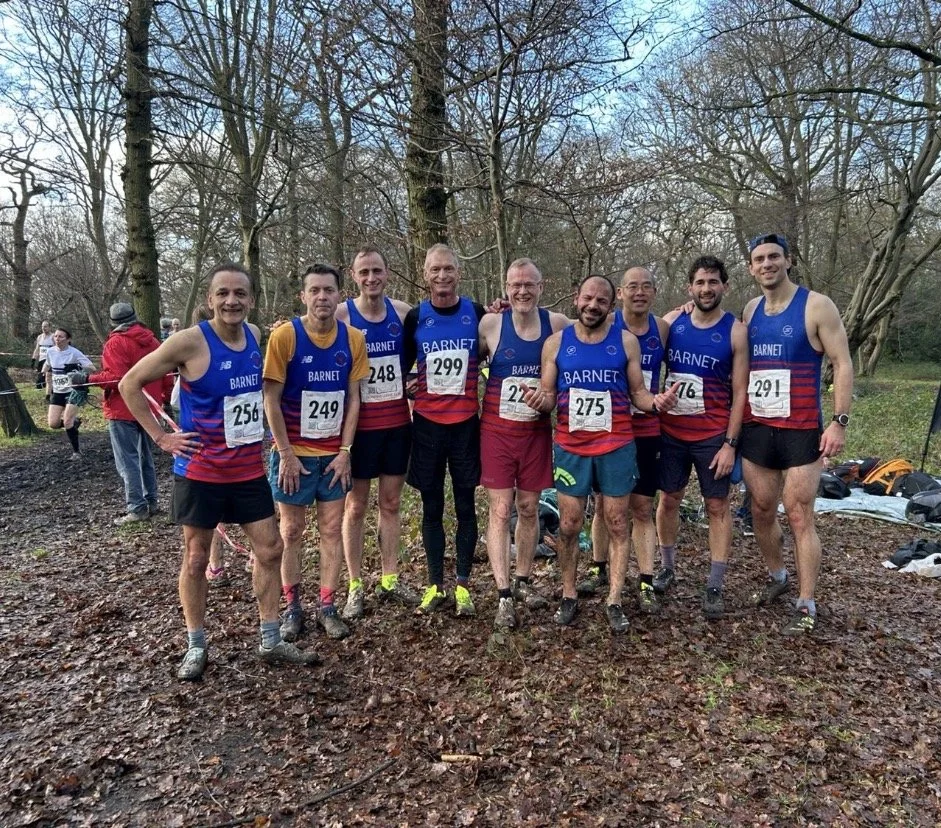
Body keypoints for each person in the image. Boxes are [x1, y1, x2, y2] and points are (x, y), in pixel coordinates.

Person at [119, 262, 319, 680]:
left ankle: (270, 638)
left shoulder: (255, 335)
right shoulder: (188, 342)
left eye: (240, 293)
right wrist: (161, 438)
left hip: (246, 470)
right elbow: (129, 384)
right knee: (196, 558)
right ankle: (196, 644)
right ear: (209, 299)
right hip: (201, 471)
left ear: (251, 299)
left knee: (270, 549)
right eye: (223, 293)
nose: (232, 301)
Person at [522, 275, 677, 633]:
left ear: (611, 305)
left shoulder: (625, 341)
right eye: (588, 298)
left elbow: (638, 393)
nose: (593, 306)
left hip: (616, 446)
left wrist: (657, 402)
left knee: (618, 521)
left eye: (601, 301)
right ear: (576, 298)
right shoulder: (556, 343)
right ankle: (568, 593)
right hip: (572, 448)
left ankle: (615, 599)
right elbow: (548, 395)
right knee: (568, 524)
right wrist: (538, 401)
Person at [741, 233, 853, 635]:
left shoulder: (817, 305)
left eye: (774, 257)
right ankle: (778, 576)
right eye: (759, 259)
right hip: (758, 427)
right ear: (751, 268)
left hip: (802, 429)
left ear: (788, 261)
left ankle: (806, 602)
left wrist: (839, 421)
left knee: (799, 513)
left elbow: (842, 362)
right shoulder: (750, 310)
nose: (767, 264)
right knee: (761, 509)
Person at [263, 263, 369, 642]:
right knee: (291, 531)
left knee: (330, 531)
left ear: (340, 295)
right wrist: (286, 453)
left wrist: (345, 451)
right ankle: (292, 607)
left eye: (329, 290)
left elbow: (354, 399)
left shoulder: (353, 339)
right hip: (294, 455)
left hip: (334, 457)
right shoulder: (285, 337)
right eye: (315, 290)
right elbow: (270, 400)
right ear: (303, 296)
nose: (322, 297)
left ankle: (327, 606)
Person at [653, 255, 749, 620]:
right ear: (689, 287)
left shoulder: (735, 330)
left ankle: (715, 582)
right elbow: (638, 345)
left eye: (713, 282)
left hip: (712, 435)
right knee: (669, 500)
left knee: (717, 506)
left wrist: (730, 444)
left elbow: (740, 392)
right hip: (671, 433)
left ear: (725, 286)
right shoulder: (672, 322)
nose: (706, 289)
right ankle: (667, 566)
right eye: (700, 282)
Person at [478, 258, 571, 628]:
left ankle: (522, 581)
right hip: (497, 433)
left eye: (529, 284)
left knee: (529, 509)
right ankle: (503, 594)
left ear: (541, 287)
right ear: (506, 288)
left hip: (535, 434)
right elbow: (459, 357)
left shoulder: (558, 325)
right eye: (515, 285)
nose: (522, 291)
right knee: (501, 510)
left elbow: (598, 327)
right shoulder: (490, 324)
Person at [334, 246, 420, 619]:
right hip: (358, 429)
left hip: (397, 424)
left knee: (391, 503)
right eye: (364, 272)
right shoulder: (342, 315)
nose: (371, 278)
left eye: (377, 271)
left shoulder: (402, 314)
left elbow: (423, 352)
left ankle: (389, 577)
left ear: (387, 273)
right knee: (355, 507)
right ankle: (355, 585)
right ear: (354, 276)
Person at [403, 244, 486, 616]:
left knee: (466, 505)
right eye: (435, 269)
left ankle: (464, 586)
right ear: (425, 275)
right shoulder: (416, 317)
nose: (442, 276)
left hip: (466, 425)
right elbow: (402, 364)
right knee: (432, 506)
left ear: (458, 273)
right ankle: (435, 584)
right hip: (428, 426)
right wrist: (408, 382)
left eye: (448, 269)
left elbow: (499, 343)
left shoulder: (477, 313)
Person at [582, 267, 670, 614]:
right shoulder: (604, 321)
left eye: (646, 287)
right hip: (606, 431)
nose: (639, 293)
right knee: (604, 504)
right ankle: (598, 567)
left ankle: (646, 579)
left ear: (655, 292)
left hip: (646, 430)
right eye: (632, 287)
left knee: (642, 507)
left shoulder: (663, 327)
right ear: (619, 293)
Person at [87, 303, 173, 525]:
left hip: (123, 407)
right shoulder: (153, 341)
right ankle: (151, 501)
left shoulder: (115, 343)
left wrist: (88, 379)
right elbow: (166, 374)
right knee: (145, 457)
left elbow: (117, 379)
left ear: (113, 322)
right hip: (150, 407)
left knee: (128, 460)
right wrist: (164, 400)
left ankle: (137, 507)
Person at [44, 327, 94, 460]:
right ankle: (74, 423)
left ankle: (76, 452)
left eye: (60, 337)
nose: (57, 339)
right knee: (53, 424)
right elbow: (47, 367)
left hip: (74, 391)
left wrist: (77, 368)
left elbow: (92, 368)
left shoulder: (75, 353)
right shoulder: (50, 352)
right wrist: (44, 376)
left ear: (68, 339)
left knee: (67, 421)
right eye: (55, 336)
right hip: (58, 391)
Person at [32, 320, 54, 389]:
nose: (43, 328)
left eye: (45, 326)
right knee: (39, 381)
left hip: (50, 360)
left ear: (49, 327)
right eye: (42, 326)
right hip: (41, 360)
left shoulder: (53, 337)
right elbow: (37, 349)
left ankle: (50, 389)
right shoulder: (39, 337)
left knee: (47, 377)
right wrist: (33, 359)